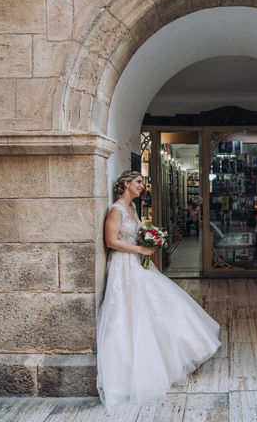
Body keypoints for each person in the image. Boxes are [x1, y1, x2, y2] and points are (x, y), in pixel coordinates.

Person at [96, 171, 221, 413]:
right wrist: (140, 249)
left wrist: (151, 240)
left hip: (136, 261)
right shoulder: (116, 210)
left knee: (158, 304)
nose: (142, 186)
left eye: (142, 182)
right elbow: (111, 241)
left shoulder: (132, 208)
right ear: (125, 185)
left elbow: (138, 233)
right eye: (139, 182)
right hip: (124, 266)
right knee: (129, 311)